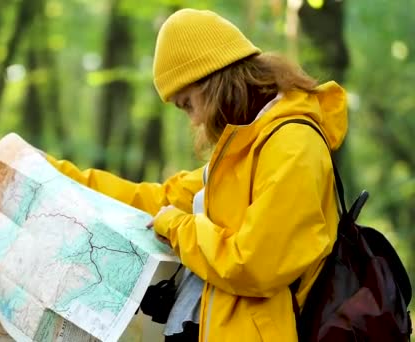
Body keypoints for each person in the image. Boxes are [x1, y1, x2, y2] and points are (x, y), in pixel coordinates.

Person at [45, 8, 347, 342]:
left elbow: (256, 264)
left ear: (214, 80)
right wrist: (53, 173)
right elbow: (156, 200)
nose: (194, 122)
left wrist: (177, 227)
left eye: (187, 103)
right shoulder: (244, 152)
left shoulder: (293, 145)